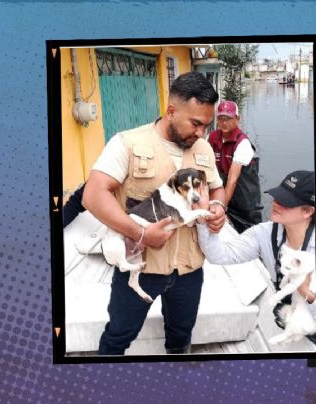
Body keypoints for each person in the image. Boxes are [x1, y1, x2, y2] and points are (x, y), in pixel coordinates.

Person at [82, 72, 227, 355]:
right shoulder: (127, 143)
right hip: (141, 267)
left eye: (206, 125)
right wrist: (142, 233)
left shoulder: (204, 149)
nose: (200, 133)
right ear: (172, 111)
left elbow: (217, 189)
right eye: (195, 123)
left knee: (181, 335)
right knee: (119, 335)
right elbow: (93, 194)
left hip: (189, 269)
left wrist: (219, 207)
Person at [196, 170, 316, 343]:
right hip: (289, 318)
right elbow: (218, 256)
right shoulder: (264, 233)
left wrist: (306, 293)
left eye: (286, 202)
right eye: (277, 197)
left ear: (307, 212)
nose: (276, 203)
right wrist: (203, 219)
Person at [207, 100, 263, 233]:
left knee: (250, 237)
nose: (224, 122)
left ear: (237, 118)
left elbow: (232, 179)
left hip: (244, 201)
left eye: (228, 118)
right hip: (222, 194)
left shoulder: (242, 143)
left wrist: (221, 208)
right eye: (221, 118)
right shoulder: (211, 137)